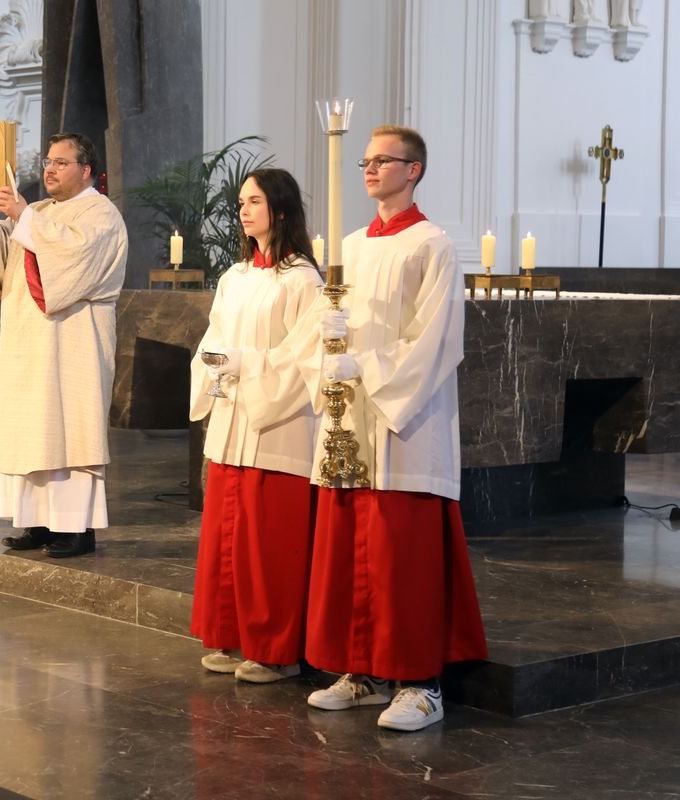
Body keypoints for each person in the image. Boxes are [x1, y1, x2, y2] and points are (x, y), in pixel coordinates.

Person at [287, 125, 487, 731]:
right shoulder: (351, 244)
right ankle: (362, 670)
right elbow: (323, 325)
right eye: (365, 161)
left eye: (383, 161)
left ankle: (421, 685)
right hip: (351, 418)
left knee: (403, 552)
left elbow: (437, 341)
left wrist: (367, 366)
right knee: (351, 546)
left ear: (414, 169)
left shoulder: (434, 245)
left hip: (406, 421)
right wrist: (324, 355)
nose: (370, 170)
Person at [0, 131, 127, 558]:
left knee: (68, 432)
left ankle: (74, 528)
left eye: (61, 162)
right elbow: (0, 254)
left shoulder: (101, 214)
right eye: (48, 162)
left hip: (72, 342)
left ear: (86, 170)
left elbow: (70, 256)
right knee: (32, 431)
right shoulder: (38, 210)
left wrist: (23, 217)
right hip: (29, 343)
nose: (50, 170)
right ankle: (36, 522)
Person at [189, 169, 323, 683]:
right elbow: (213, 339)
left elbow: (302, 356)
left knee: (267, 541)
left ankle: (275, 650)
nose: (244, 211)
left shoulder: (302, 279)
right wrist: (216, 367)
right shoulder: (235, 277)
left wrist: (244, 364)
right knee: (227, 536)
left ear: (281, 211)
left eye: (255, 202)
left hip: (276, 424)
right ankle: (232, 635)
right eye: (241, 202)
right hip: (232, 421)